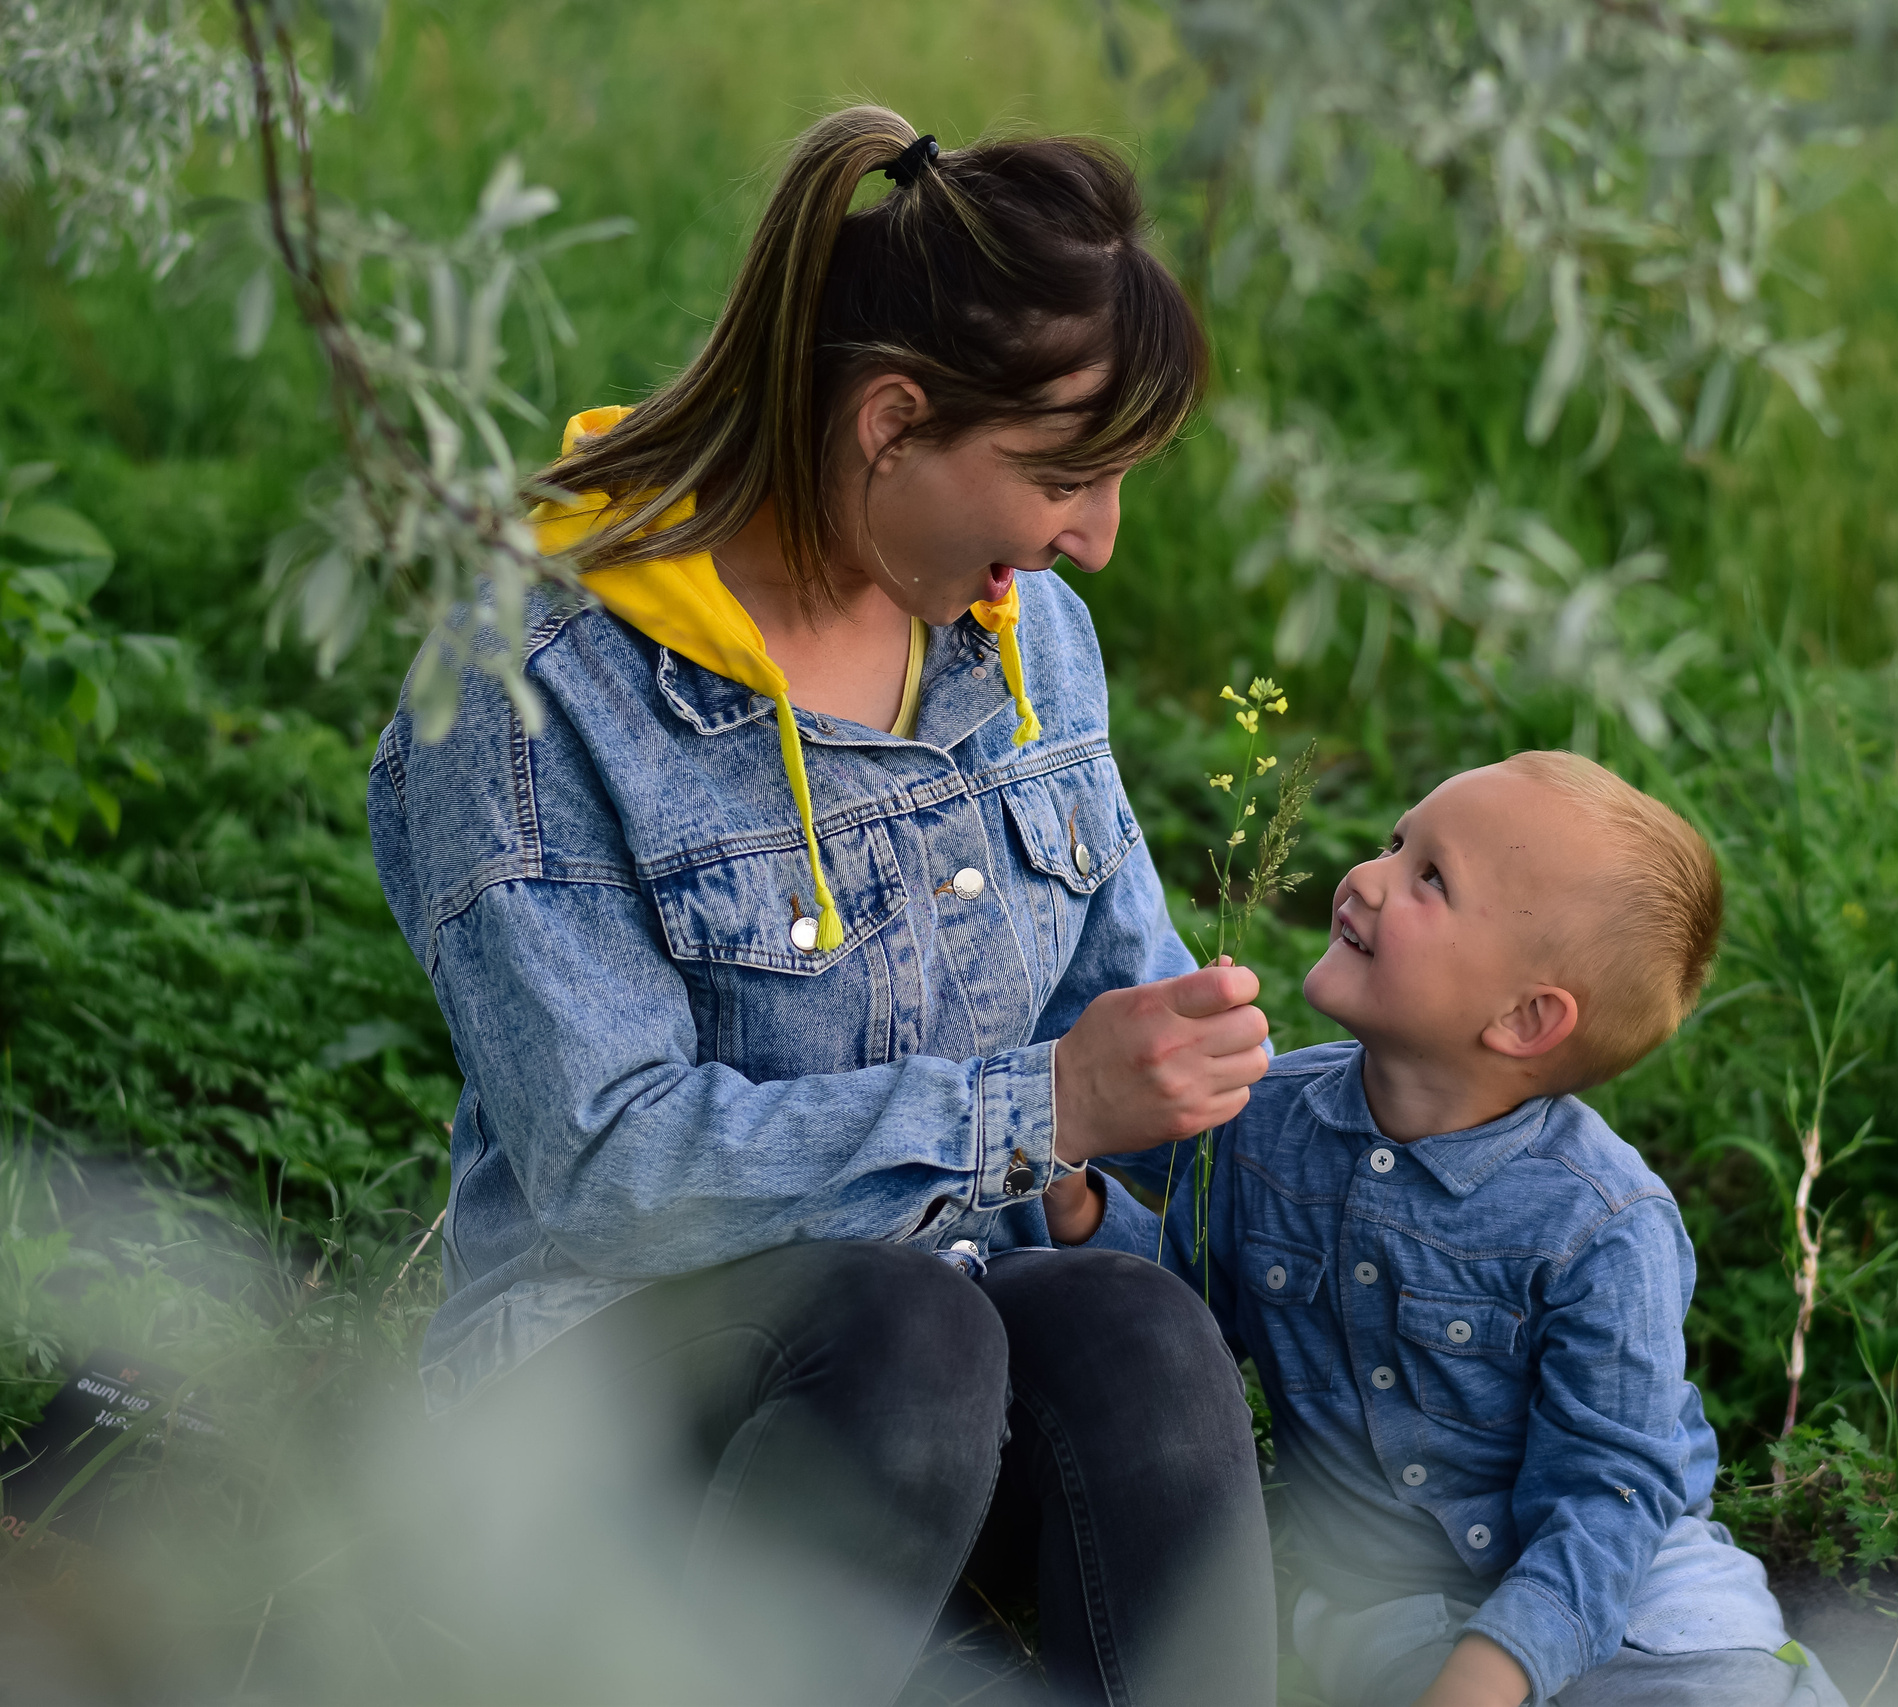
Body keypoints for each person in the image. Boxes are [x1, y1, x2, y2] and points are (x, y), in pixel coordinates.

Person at [367, 108, 1276, 1704]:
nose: (1095, 540)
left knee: (1136, 1326)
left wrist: (1108, 1148)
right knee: (905, 1329)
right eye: (1066, 475)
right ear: (891, 421)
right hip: (616, 1427)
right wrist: (1039, 1107)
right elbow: (610, 1171)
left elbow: (1108, 1048)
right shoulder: (528, 685)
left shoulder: (1024, 633)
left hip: (960, 1371)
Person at [1044, 753, 1846, 1707]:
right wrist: (1084, 1206)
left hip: (1633, 1591)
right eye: (1396, 841)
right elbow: (1189, 1314)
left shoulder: (1601, 1222)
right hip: (1391, 1600)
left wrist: (1494, 1670)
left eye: (1430, 877)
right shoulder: (1263, 1128)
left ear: (1524, 1018)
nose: (1366, 877)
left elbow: (1611, 1492)